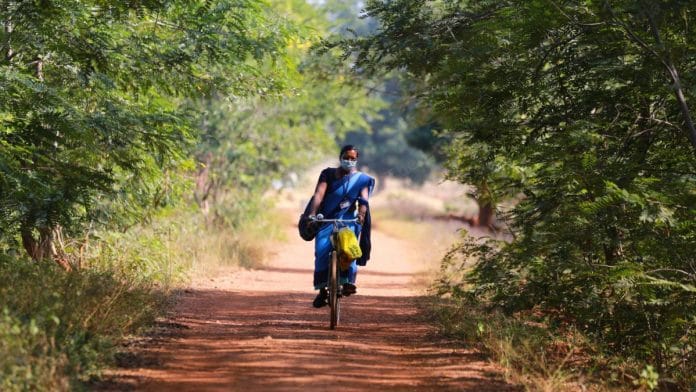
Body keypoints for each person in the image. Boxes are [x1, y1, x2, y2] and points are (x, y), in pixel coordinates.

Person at [307, 145, 375, 308]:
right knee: (322, 251)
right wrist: (312, 214)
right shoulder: (328, 174)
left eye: (353, 158)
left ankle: (348, 282)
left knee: (349, 249)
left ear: (356, 160)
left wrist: (361, 215)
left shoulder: (362, 179)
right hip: (326, 219)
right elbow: (318, 195)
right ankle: (322, 291)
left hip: (348, 220)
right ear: (340, 157)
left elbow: (363, 200)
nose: (349, 161)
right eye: (346, 157)